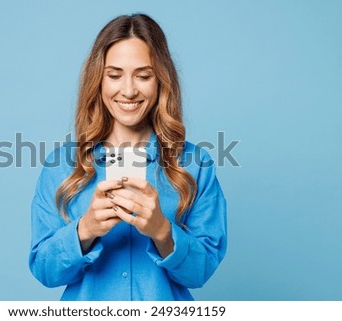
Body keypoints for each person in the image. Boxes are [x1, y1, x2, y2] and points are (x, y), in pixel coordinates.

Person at [29, 13, 227, 300]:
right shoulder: (62, 166)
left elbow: (201, 273)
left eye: (144, 76)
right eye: (114, 75)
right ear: (98, 80)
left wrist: (162, 231)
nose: (129, 90)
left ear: (161, 80)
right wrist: (85, 230)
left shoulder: (195, 165)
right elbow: (44, 271)